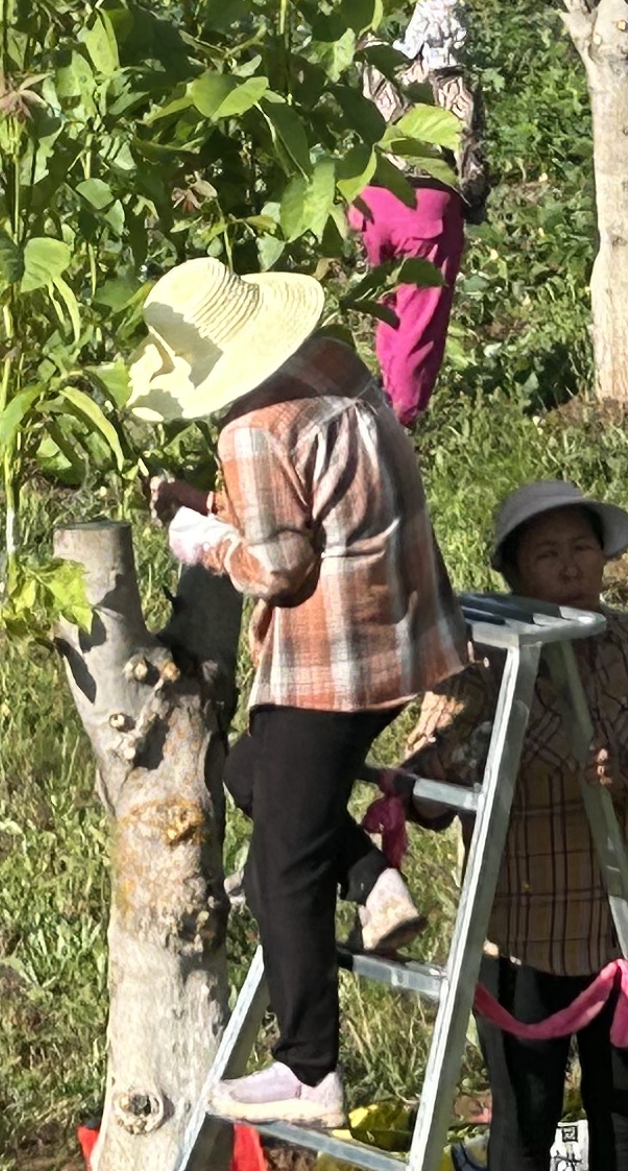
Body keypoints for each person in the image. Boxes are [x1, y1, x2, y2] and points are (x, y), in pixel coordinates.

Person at [136, 256, 472, 1136]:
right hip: (403, 637)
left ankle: (309, 1065)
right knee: (253, 772)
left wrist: (206, 540)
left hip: (329, 661)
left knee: (282, 862)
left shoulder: (251, 431)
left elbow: (281, 567)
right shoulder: (337, 371)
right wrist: (211, 498)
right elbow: (313, 496)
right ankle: (372, 878)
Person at [403, 482, 628, 1171]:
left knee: (623, 1113)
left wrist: (624, 778)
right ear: (512, 574)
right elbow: (426, 796)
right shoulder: (478, 660)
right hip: (523, 937)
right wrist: (449, 760)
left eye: (583, 550)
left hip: (623, 925)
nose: (571, 569)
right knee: (524, 1123)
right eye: (549, 555)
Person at [353, 0, 493, 427]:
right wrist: (473, 203)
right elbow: (469, 160)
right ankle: (402, 416)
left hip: (372, 199)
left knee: (389, 300)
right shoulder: (457, 87)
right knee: (421, 315)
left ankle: (380, 391)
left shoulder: (382, 70)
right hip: (426, 211)